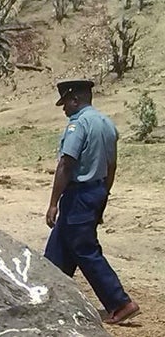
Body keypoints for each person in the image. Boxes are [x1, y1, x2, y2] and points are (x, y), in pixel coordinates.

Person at [44, 79, 139, 325]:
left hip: (78, 194)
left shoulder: (78, 125)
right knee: (59, 249)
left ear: (75, 99)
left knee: (84, 249)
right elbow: (111, 166)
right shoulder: (107, 124)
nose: (64, 109)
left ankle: (120, 302)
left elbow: (66, 164)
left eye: (65, 103)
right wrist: (102, 197)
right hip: (96, 191)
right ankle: (48, 298)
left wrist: (53, 202)